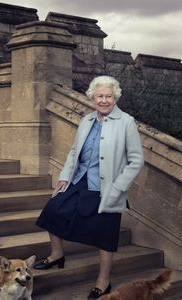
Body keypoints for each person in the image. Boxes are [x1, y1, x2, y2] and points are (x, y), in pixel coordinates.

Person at [33, 75, 144, 300]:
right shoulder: (86, 120)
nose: (103, 100)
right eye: (99, 96)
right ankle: (57, 255)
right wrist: (64, 178)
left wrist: (118, 187)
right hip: (79, 180)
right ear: (92, 97)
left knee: (106, 235)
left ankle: (103, 281)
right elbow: (75, 152)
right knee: (52, 211)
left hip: (107, 188)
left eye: (108, 96)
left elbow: (136, 160)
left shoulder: (126, 122)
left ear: (116, 98)